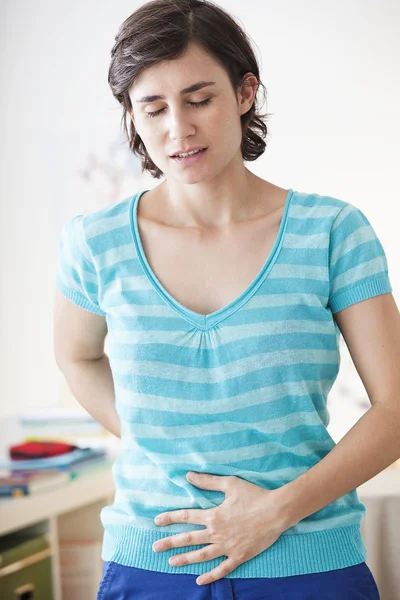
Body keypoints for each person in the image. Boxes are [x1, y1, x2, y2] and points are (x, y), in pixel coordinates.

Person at [53, 1, 399, 598]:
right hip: (150, 565)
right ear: (131, 117)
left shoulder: (333, 231)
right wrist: (153, 439)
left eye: (199, 99)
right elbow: (77, 358)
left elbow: (396, 407)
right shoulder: (95, 242)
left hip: (307, 564)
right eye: (152, 108)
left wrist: (274, 512)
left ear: (244, 93)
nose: (178, 129)